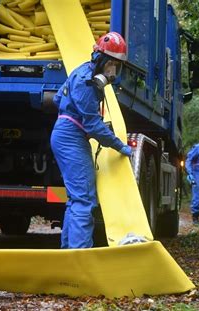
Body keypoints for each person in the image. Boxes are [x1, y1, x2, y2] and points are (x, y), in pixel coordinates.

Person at [50, 32, 133, 249]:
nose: (113, 71)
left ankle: (68, 253)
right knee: (85, 200)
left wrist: (74, 114)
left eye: (117, 65)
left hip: (65, 133)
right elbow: (93, 126)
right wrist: (119, 145)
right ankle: (80, 255)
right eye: (111, 64)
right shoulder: (88, 83)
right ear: (101, 60)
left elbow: (58, 98)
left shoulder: (80, 71)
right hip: (71, 138)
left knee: (75, 200)